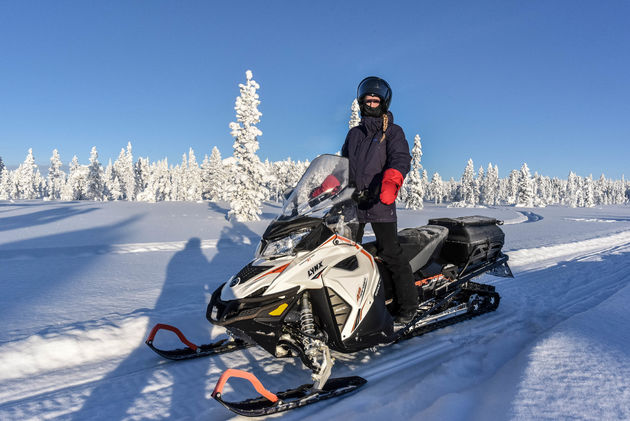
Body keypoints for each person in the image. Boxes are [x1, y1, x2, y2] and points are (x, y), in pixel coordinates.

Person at [341, 76, 418, 325]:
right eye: (368, 99)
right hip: (354, 204)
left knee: (390, 252)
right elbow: (342, 165)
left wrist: (390, 182)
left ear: (384, 102)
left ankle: (408, 306)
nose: (371, 103)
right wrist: (325, 186)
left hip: (380, 202)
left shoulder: (393, 132)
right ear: (361, 102)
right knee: (343, 255)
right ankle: (347, 306)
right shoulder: (354, 134)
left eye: (376, 100)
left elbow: (400, 159)